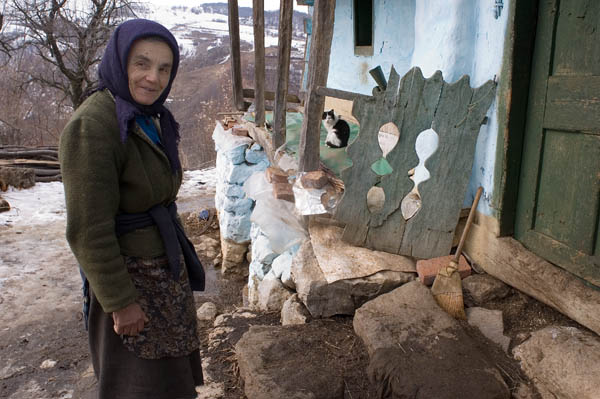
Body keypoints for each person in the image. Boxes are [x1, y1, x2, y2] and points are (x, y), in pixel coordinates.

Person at [59, 19, 205, 399]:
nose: (153, 78)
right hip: (130, 282)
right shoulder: (95, 125)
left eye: (163, 68)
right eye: (141, 64)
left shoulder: (148, 115)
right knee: (137, 387)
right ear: (120, 61)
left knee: (169, 383)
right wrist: (121, 304)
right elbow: (88, 230)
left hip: (159, 275)